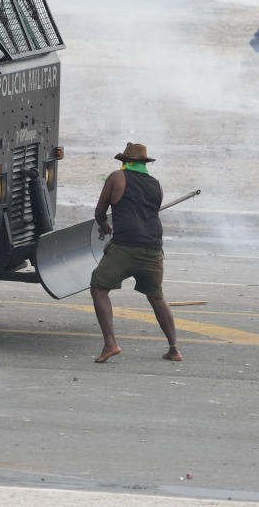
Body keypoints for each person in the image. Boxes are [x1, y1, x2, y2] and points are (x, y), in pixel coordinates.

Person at [89, 143, 182, 363]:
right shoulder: (156, 185)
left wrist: (104, 226)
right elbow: (145, 212)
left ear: (125, 162)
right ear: (144, 164)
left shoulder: (116, 178)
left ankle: (110, 344)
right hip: (153, 248)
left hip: (125, 248)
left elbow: (100, 212)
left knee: (99, 287)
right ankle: (174, 349)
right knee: (157, 298)